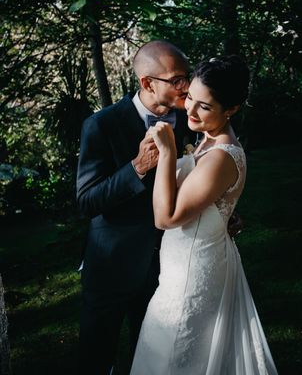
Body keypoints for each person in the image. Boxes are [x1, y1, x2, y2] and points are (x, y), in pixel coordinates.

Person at [130, 56, 278, 374]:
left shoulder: (222, 156)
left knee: (177, 353)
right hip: (181, 266)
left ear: (231, 110)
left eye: (205, 107)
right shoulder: (206, 139)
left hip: (192, 275)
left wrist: (169, 154)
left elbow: (166, 218)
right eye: (191, 99)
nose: (191, 112)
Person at [76, 40, 195, 374]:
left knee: (156, 360)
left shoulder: (192, 121)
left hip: (170, 265)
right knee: (97, 359)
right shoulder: (101, 125)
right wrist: (137, 167)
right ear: (148, 83)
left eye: (188, 76)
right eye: (177, 80)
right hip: (112, 264)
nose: (187, 86)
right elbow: (87, 201)